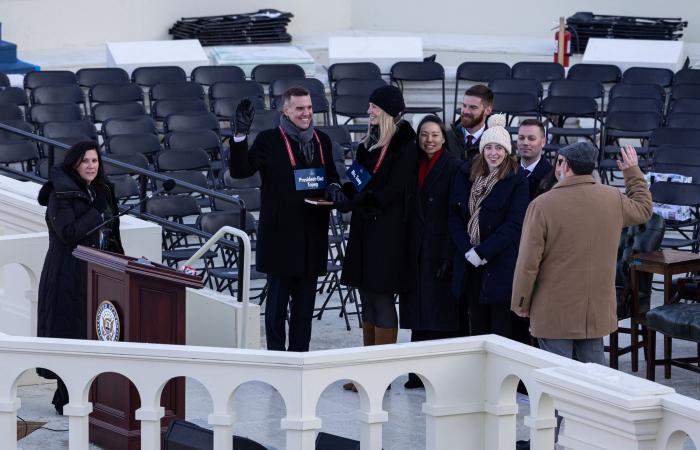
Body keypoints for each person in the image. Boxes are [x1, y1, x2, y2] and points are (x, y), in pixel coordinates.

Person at [511, 143, 652, 364]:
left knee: (558, 381)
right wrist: (632, 172)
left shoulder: (541, 205)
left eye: (559, 162)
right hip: (594, 311)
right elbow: (644, 209)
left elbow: (528, 263)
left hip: (553, 311)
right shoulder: (612, 198)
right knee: (595, 381)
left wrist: (521, 302)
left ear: (565, 165)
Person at [229, 87, 344, 352]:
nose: (306, 113)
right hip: (281, 238)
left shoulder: (322, 140)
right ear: (286, 110)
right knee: (277, 309)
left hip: (312, 236)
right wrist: (239, 136)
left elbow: (331, 176)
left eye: (309, 108)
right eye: (300, 108)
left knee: (304, 308)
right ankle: (277, 358)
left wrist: (335, 187)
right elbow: (240, 170)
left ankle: (300, 358)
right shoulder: (269, 140)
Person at [37, 140, 125, 414]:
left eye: (95, 161)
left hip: (101, 270)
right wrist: (95, 210)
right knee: (70, 333)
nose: (91, 166)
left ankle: (91, 394)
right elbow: (69, 234)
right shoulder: (59, 194)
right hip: (67, 272)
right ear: (74, 164)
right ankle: (67, 397)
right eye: (85, 161)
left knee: (94, 332)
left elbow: (112, 230)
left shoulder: (102, 190)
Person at [338, 85, 417, 390]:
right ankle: (365, 372)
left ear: (387, 111)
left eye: (374, 107)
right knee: (366, 297)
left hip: (388, 232)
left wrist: (361, 201)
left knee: (382, 299)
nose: (368, 111)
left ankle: (379, 375)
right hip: (365, 228)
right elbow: (358, 180)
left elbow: (393, 191)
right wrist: (344, 194)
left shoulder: (405, 145)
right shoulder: (368, 142)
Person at [448, 114, 529, 338]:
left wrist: (483, 252)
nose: (494, 153)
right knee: (475, 325)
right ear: (482, 150)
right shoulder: (466, 174)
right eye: (489, 147)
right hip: (469, 263)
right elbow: (454, 216)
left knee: (500, 329)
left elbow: (514, 224)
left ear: (507, 151)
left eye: (499, 148)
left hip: (499, 264)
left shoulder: (517, 179)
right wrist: (468, 250)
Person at [400, 115, 461, 389]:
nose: (429, 140)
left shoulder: (454, 166)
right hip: (414, 247)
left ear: (444, 137)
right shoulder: (412, 164)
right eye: (424, 134)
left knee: (439, 315)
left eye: (435, 135)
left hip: (439, 248)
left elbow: (455, 214)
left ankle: (436, 375)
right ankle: (416, 373)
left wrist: (449, 255)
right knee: (418, 315)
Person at [446, 84, 494, 161]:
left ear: (487, 110)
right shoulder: (447, 138)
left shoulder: (498, 142)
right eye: (464, 106)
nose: (466, 111)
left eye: (473, 107)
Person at [516, 119, 553, 200]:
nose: (525, 143)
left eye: (531, 138)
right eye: (521, 138)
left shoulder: (552, 176)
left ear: (543, 142)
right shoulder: (506, 171)